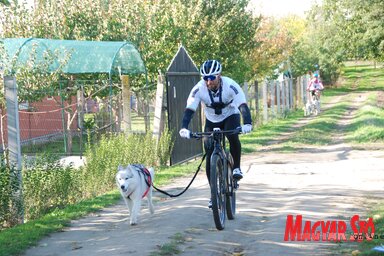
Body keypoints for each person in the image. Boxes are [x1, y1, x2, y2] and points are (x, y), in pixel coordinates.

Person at [179, 60, 252, 207]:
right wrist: (184, 127)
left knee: (232, 135)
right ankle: (213, 193)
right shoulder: (199, 88)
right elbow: (190, 110)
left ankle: (236, 167)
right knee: (209, 149)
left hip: (230, 115)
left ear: (219, 75)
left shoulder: (231, 85)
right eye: (205, 78)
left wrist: (248, 123)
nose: (208, 81)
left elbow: (243, 105)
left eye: (212, 77)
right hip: (212, 119)